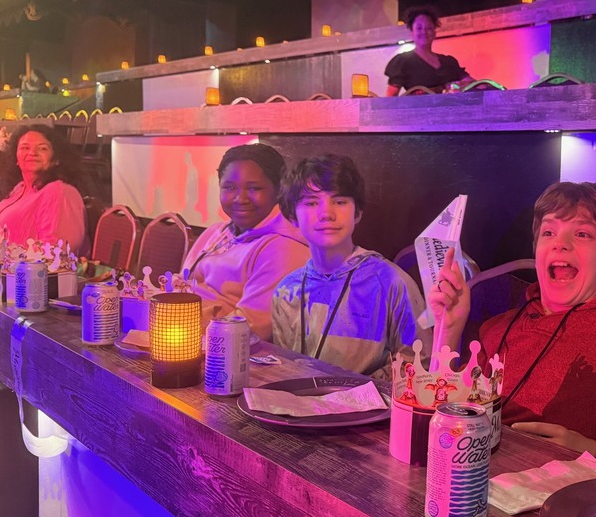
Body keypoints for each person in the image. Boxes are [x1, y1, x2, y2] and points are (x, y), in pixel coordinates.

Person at [429, 182, 596, 461]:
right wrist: (449, 327)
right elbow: (442, 415)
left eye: (582, 233)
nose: (560, 243)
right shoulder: (497, 329)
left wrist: (595, 451)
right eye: (548, 232)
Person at [272, 154, 428, 380]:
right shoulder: (287, 291)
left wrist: (359, 392)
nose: (327, 214)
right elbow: (285, 369)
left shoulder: (391, 282)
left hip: (372, 411)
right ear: (292, 216)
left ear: (358, 213)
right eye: (312, 203)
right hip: (301, 410)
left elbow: (419, 361)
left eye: (339, 201)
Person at [181, 143, 308, 340]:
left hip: (224, 355)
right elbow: (182, 283)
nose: (240, 198)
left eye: (254, 188)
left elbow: (247, 330)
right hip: (179, 333)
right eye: (230, 187)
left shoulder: (283, 248)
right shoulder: (217, 231)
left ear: (279, 191)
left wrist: (180, 323)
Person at [0, 124, 87, 254]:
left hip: (21, 273)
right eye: (25, 148)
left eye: (42, 148)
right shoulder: (19, 189)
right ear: (16, 158)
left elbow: (55, 251)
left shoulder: (59, 191)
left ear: (56, 159)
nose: (32, 153)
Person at [384, 6, 473, 95]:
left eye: (429, 28)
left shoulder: (449, 62)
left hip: (452, 108)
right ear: (411, 32)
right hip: (419, 109)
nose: (424, 32)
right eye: (419, 28)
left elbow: (472, 84)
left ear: (434, 32)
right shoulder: (402, 61)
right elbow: (391, 98)